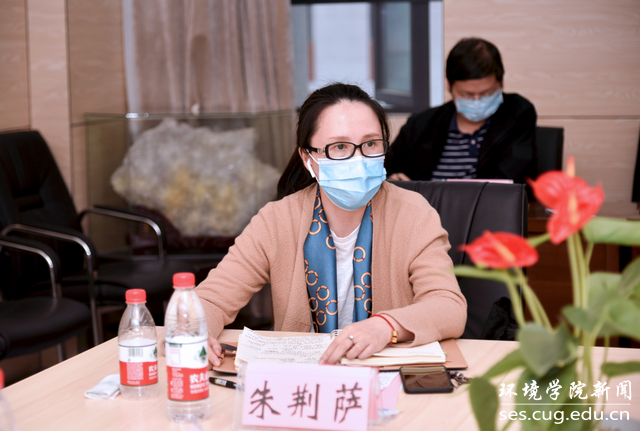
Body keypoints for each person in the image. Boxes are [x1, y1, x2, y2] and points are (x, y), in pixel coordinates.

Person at [196, 83, 466, 367]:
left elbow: (448, 306)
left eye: (370, 144)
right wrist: (195, 331)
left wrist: (386, 326)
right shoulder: (276, 220)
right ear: (308, 158)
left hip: (388, 378)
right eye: (339, 147)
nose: (359, 158)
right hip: (302, 379)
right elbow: (211, 300)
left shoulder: (414, 213)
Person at [385, 37, 537, 184]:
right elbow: (386, 171)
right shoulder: (420, 125)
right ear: (449, 86)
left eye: (487, 93)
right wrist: (395, 181)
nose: (477, 101)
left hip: (492, 202)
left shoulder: (518, 114)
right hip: (425, 202)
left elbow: (514, 178)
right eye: (467, 95)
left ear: (501, 83)